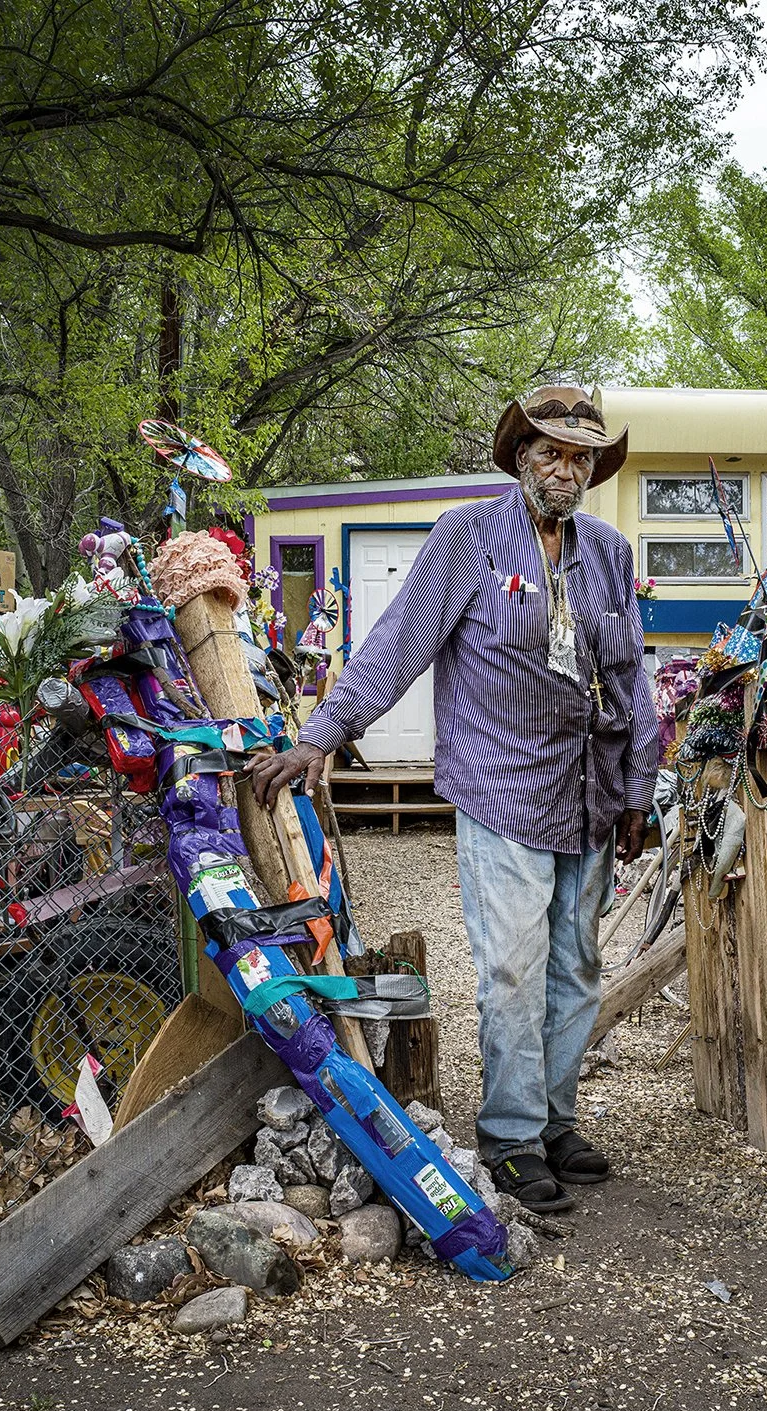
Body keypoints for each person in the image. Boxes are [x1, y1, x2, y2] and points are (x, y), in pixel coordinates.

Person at [244, 386, 659, 1212]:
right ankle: (509, 1137)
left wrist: (639, 792)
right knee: (512, 968)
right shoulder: (465, 537)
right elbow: (396, 642)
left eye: (580, 457)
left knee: (575, 968)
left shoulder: (607, 553)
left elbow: (631, 678)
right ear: (520, 457)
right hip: (502, 788)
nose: (566, 470)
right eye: (551, 453)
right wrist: (322, 735)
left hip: (588, 796)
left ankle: (552, 1122)